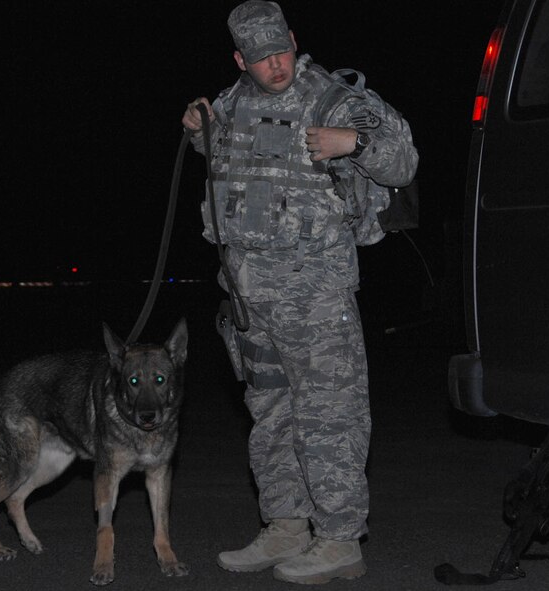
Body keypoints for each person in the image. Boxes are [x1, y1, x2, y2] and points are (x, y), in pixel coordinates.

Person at [182, 0, 418, 585]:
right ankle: (286, 526)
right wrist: (198, 133)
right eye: (261, 57)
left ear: (293, 37)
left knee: (329, 416)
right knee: (270, 415)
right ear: (241, 60)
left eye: (281, 50)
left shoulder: (333, 98)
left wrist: (352, 144)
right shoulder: (230, 103)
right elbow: (233, 166)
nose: (276, 64)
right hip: (249, 297)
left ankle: (338, 540)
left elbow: (403, 162)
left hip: (316, 296)